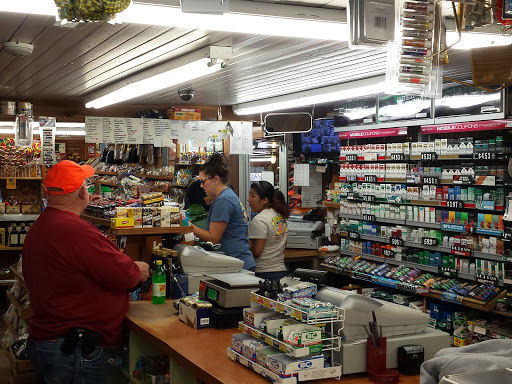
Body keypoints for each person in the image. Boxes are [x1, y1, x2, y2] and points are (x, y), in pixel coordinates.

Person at [22, 160, 150, 384]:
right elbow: (124, 274)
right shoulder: (73, 230)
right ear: (83, 193)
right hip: (73, 351)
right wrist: (138, 269)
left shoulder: (44, 224)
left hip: (57, 346)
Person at [189, 153, 255, 271]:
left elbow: (213, 238)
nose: (201, 186)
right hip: (237, 261)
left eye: (203, 181)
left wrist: (189, 227)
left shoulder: (224, 200)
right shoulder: (227, 195)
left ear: (216, 179)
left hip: (237, 264)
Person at [247, 181, 290, 280]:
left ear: (264, 200)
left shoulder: (260, 220)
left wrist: (243, 248)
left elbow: (257, 251)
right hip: (280, 270)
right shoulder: (279, 215)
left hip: (264, 272)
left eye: (252, 196)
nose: (249, 200)